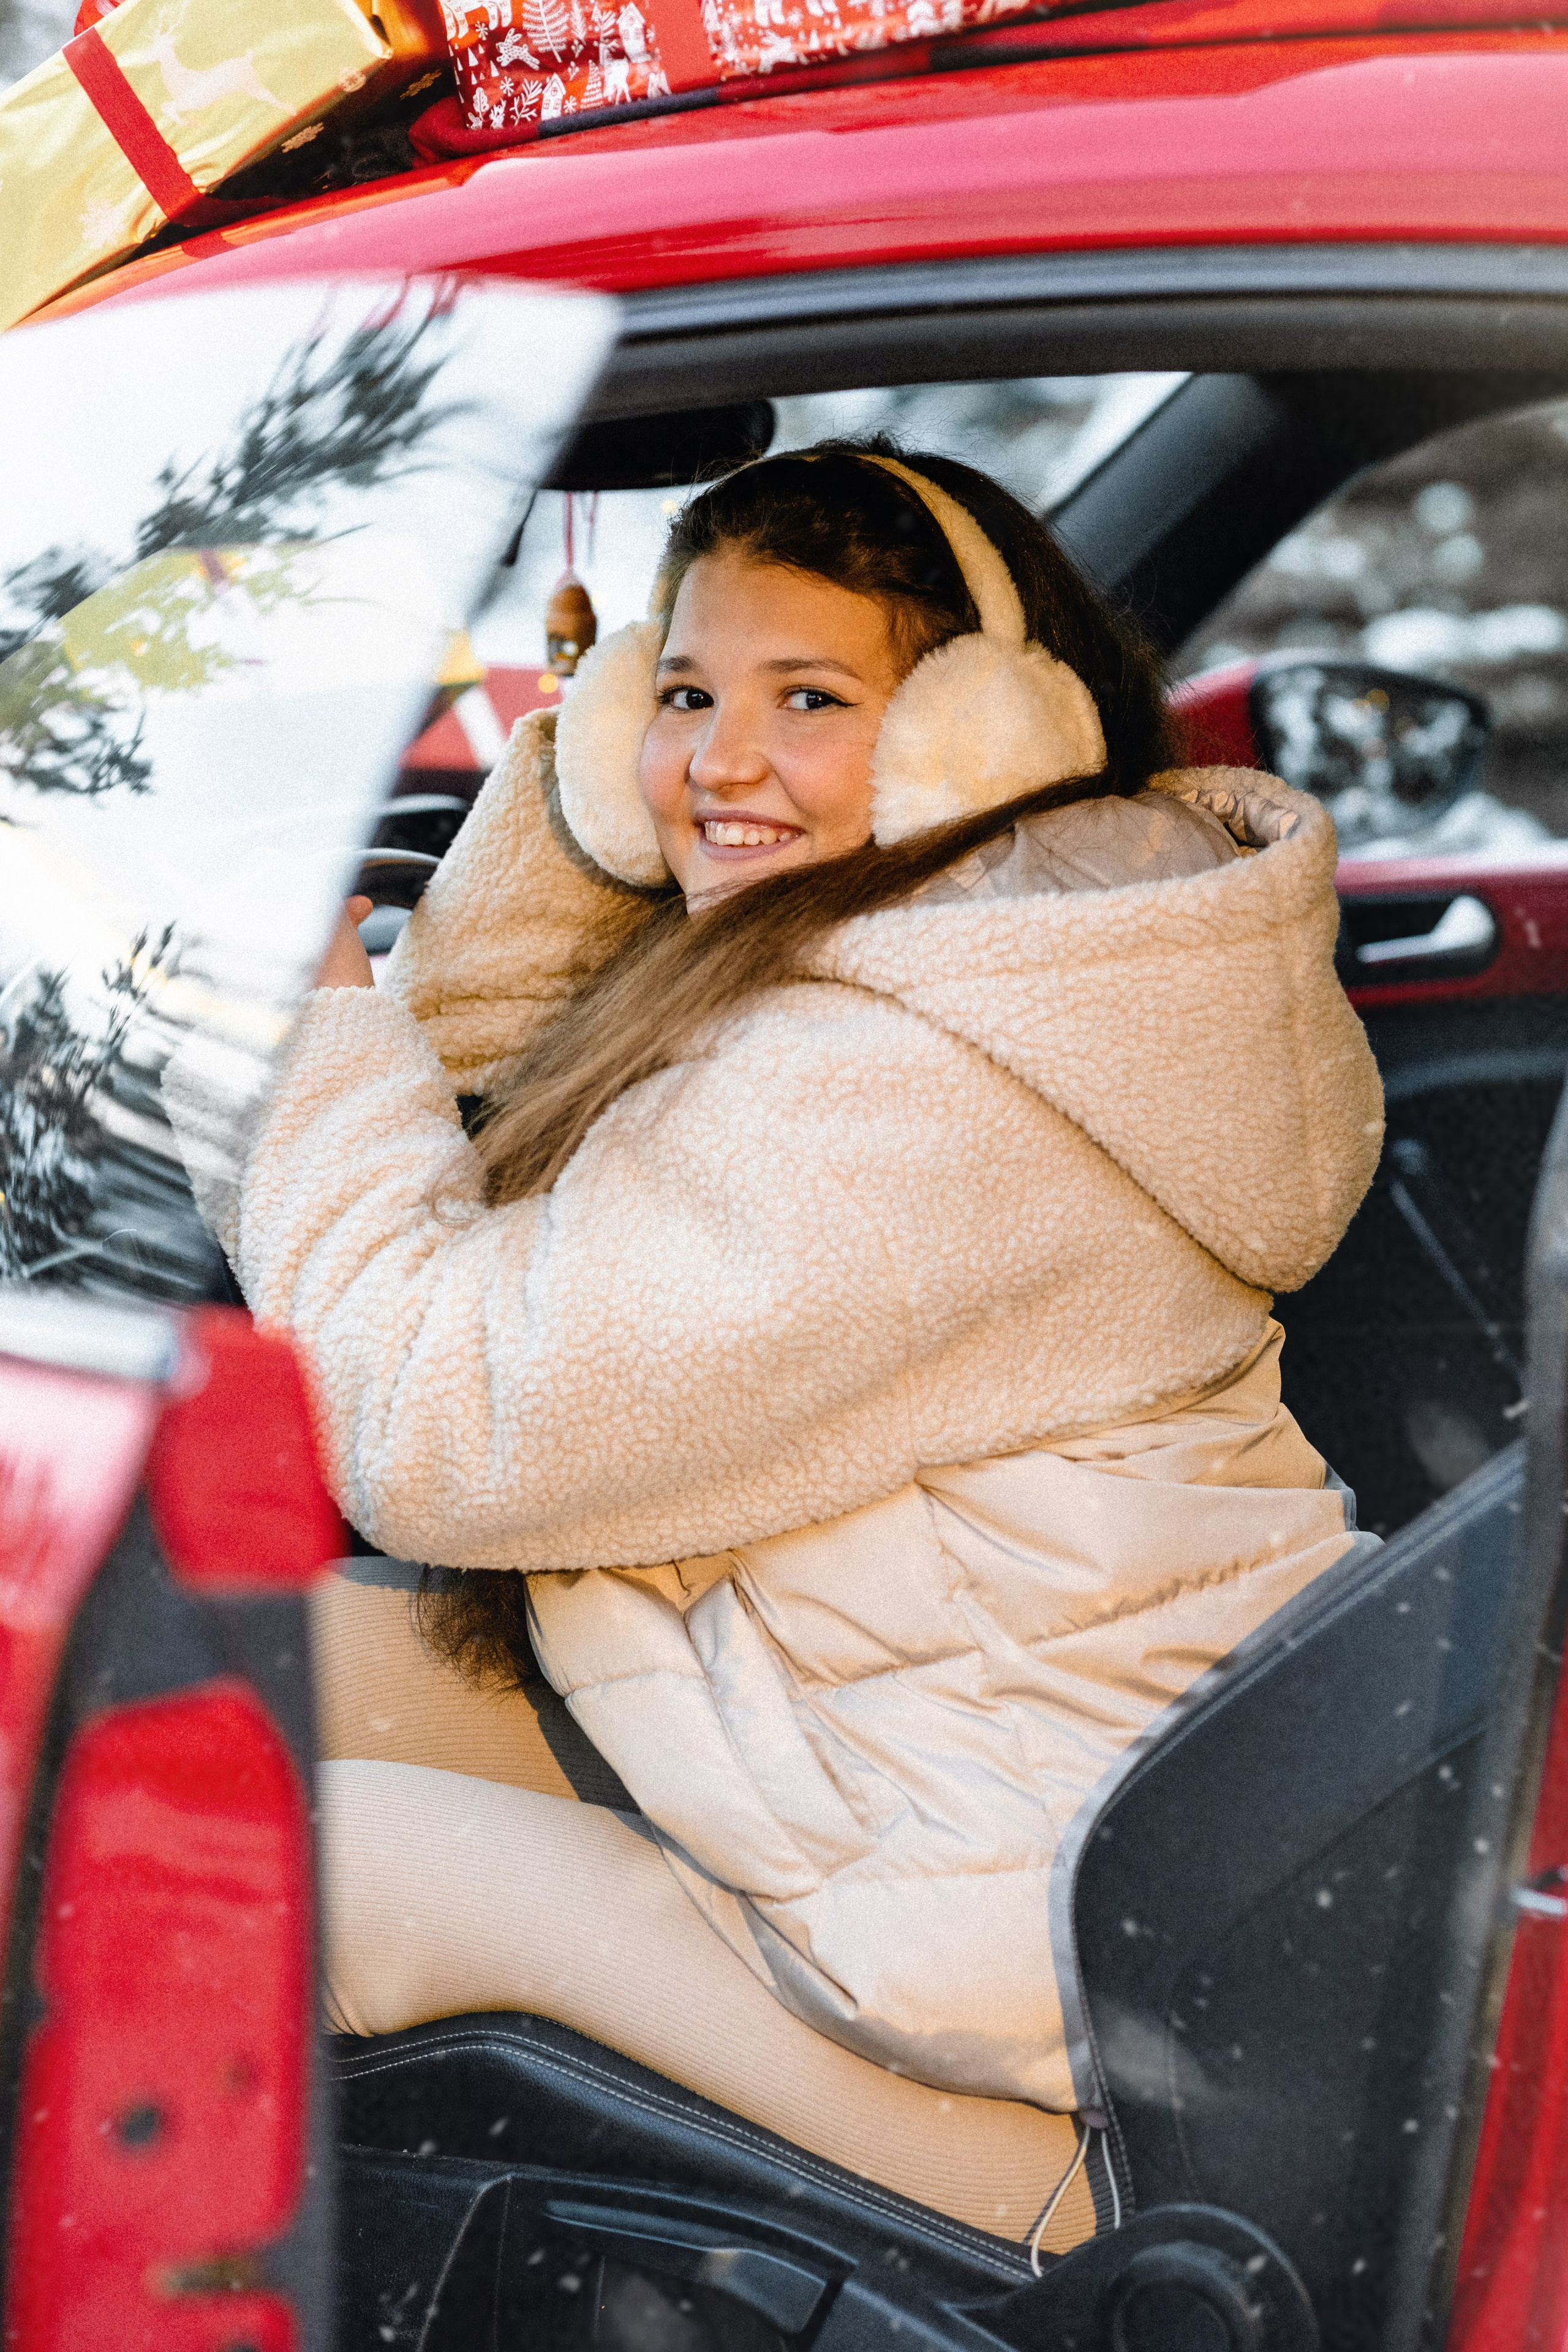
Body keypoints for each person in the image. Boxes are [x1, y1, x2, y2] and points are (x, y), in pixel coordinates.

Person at [168, 442, 1383, 2249]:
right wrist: (599, 820)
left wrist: (293, 1026)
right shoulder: (977, 950)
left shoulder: (917, 1094)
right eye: (679, 695)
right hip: (960, 1835)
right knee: (152, 1689)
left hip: (1037, 2054)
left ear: (981, 736)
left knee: (183, 1879)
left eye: (806, 697)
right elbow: (504, 1121)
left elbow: (438, 1417)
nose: (720, 760)